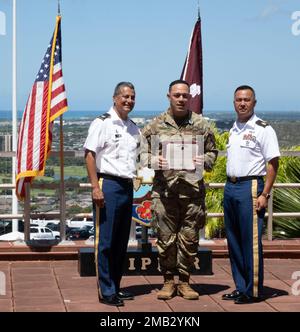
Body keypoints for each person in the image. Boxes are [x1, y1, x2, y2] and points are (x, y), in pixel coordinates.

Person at [141, 79, 218, 300]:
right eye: (177, 95)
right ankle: (167, 281)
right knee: (165, 238)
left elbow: (214, 152)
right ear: (169, 96)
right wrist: (154, 160)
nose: (181, 99)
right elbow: (140, 153)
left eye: (185, 95)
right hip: (164, 193)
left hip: (192, 193)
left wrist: (204, 159)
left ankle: (184, 282)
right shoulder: (155, 125)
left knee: (190, 238)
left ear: (189, 97)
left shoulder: (201, 125)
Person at [222, 85, 280, 304]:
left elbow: (273, 163)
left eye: (247, 100)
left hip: (251, 187)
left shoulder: (263, 128)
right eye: (238, 100)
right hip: (230, 187)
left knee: (251, 242)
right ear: (234, 102)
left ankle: (253, 290)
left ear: (254, 103)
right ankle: (240, 286)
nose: (242, 103)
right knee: (234, 240)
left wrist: (265, 193)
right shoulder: (234, 128)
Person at [84, 82, 140, 307]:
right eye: (125, 96)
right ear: (115, 98)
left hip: (126, 186)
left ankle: (116, 286)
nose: (129, 101)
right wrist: (95, 187)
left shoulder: (133, 127)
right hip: (107, 184)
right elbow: (89, 155)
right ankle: (106, 291)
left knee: (120, 242)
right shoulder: (102, 123)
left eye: (132, 97)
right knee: (105, 241)